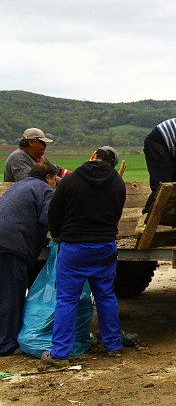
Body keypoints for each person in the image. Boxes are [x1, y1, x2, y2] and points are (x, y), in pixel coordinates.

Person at [43, 147, 126, 366]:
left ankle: (60, 353)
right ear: (113, 164)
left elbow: (54, 213)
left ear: (93, 156)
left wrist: (58, 234)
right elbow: (116, 213)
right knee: (106, 296)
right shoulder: (118, 183)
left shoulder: (71, 181)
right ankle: (113, 345)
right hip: (105, 246)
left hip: (74, 248)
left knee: (67, 299)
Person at [0, 162, 58, 355]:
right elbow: (49, 219)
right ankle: (6, 344)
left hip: (5, 242)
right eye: (55, 179)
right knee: (12, 296)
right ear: (48, 177)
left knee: (3, 293)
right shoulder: (44, 189)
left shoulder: (17, 186)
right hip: (12, 246)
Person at [4, 128, 69, 183]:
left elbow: (56, 170)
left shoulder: (40, 158)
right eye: (42, 142)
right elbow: (28, 182)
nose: (45, 145)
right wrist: (60, 181)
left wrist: (72, 177)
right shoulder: (19, 158)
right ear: (31, 143)